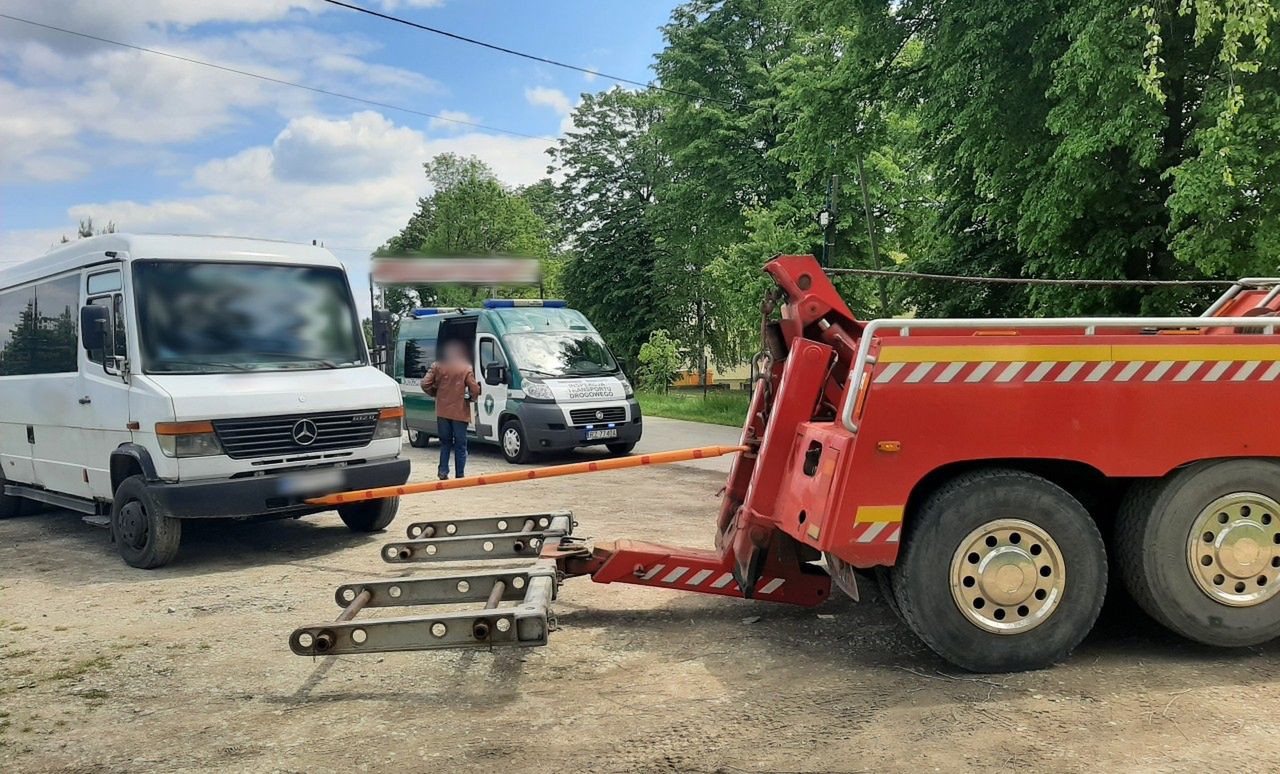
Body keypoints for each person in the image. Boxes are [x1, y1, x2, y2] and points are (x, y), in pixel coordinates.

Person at [421, 340, 480, 480]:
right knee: (460, 444)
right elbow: (475, 389)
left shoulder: (437, 365)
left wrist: (435, 393)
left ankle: (443, 472)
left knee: (445, 443)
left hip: (442, 411)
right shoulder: (466, 368)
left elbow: (424, 383)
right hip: (460, 412)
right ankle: (460, 474)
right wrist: (471, 399)